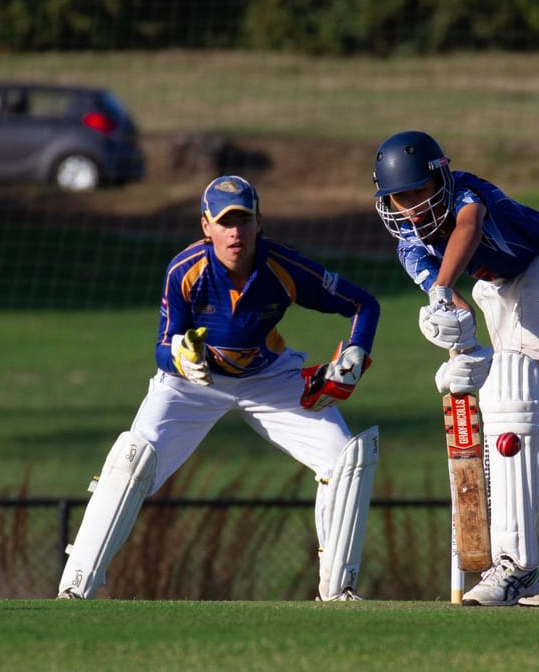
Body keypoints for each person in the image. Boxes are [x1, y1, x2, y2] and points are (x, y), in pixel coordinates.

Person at [56, 175, 382, 601]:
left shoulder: (284, 266)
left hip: (269, 380)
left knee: (346, 460)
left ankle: (337, 593)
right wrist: (182, 358)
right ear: (206, 226)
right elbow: (162, 346)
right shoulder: (183, 270)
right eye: (225, 222)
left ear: (259, 222)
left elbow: (363, 304)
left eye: (244, 220)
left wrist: (356, 352)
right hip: (193, 385)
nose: (235, 232)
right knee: (132, 460)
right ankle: (74, 590)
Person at [371, 130, 539, 607]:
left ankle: (516, 564)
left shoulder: (468, 194)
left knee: (515, 403)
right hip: (498, 287)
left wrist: (441, 289)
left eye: (419, 191)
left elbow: (468, 230)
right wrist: (462, 345)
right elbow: (456, 314)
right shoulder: (408, 244)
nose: (413, 207)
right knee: (537, 417)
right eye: (401, 199)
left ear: (440, 177)